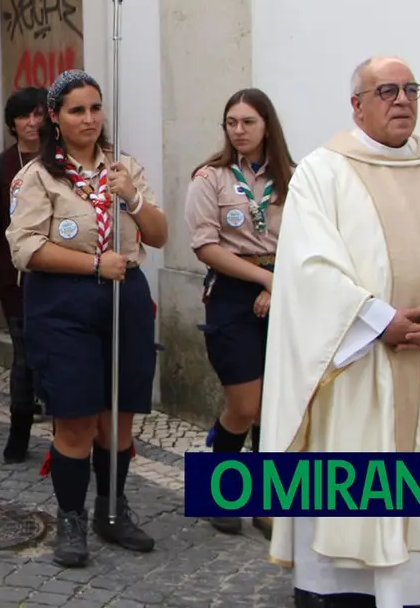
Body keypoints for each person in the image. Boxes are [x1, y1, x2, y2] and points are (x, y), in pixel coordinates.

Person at [261, 56, 420, 608]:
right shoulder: (322, 171)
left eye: (411, 88)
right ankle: (328, 595)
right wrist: (379, 320)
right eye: (386, 90)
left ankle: (405, 598)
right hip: (352, 370)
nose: (402, 99)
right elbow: (309, 267)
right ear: (357, 105)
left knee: (413, 511)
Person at [6, 69, 168, 567]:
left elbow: (159, 236)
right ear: (54, 117)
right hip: (62, 304)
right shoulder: (37, 176)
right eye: (77, 110)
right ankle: (71, 517)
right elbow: (25, 247)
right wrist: (95, 263)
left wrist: (132, 199)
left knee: (119, 417)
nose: (90, 119)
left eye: (96, 108)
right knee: (75, 419)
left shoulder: (124, 169)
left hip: (125, 300)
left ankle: (112, 511)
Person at [184, 88, 295, 539]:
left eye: (248, 121)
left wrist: (280, 282)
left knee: (274, 406)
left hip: (286, 289)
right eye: (232, 122)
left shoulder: (295, 177)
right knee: (245, 405)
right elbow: (205, 246)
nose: (239, 130)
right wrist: (263, 281)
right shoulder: (210, 178)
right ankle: (221, 491)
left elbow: (311, 239)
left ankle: (267, 504)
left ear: (267, 124)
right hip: (232, 293)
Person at [0, 87, 48, 462]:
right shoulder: (0, 166)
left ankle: (68, 428)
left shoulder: (62, 161)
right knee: (24, 357)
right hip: (17, 279)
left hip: (66, 276)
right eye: (24, 116)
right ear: (13, 124)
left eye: (38, 114)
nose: (32, 123)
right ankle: (19, 431)